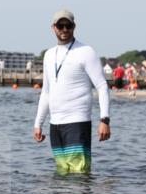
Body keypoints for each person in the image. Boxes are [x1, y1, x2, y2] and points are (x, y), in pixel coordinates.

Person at [33, 10, 111, 174]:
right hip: (55, 125)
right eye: (60, 25)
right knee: (62, 174)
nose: (64, 29)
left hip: (77, 122)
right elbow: (46, 92)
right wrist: (38, 124)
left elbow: (102, 86)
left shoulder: (86, 51)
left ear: (74, 26)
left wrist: (104, 120)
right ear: (53, 27)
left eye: (68, 25)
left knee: (79, 175)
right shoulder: (48, 55)